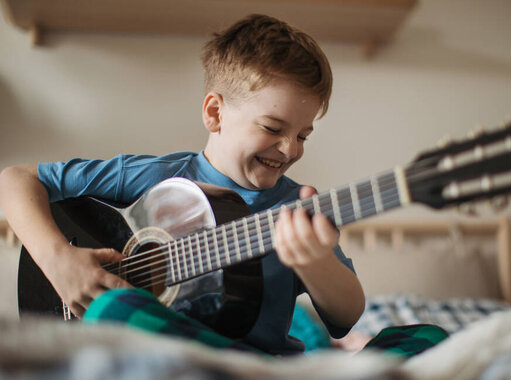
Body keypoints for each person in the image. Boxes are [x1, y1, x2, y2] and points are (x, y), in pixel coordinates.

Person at [0, 14, 365, 355]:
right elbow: (16, 179)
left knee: (420, 338)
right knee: (115, 308)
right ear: (215, 113)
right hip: (153, 354)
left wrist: (317, 261)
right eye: (273, 128)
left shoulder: (293, 210)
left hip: (257, 364)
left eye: (303, 134)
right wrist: (57, 259)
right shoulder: (154, 177)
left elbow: (345, 319)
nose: (290, 149)